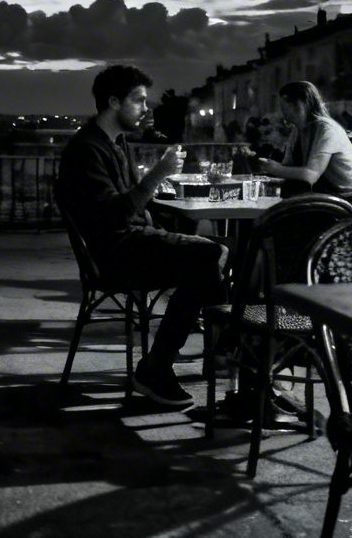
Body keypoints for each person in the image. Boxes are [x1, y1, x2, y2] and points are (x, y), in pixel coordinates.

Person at [55, 64, 225, 407]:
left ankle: (215, 355)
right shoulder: (87, 149)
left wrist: (152, 205)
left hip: (127, 241)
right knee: (210, 256)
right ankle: (182, 363)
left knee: (212, 256)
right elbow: (116, 215)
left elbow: (128, 206)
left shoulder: (114, 143)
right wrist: (159, 173)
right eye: (139, 100)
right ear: (113, 102)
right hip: (115, 253)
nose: (146, 108)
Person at [253, 81, 352, 199]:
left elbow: (311, 175)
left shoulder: (326, 129)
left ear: (299, 105)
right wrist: (268, 168)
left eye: (284, 106)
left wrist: (277, 169)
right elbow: (288, 168)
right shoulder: (296, 131)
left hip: (349, 199)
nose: (282, 112)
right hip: (324, 196)